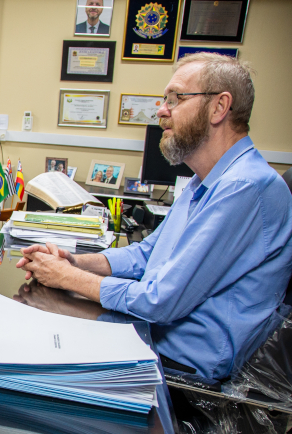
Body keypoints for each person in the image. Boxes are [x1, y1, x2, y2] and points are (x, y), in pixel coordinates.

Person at [16, 53, 292, 381]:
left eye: (175, 99)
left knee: (30, 364)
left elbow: (161, 301)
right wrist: (75, 263)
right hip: (156, 342)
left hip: (182, 375)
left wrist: (66, 278)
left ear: (219, 107)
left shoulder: (247, 186)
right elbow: (147, 254)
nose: (161, 110)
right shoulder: (205, 180)